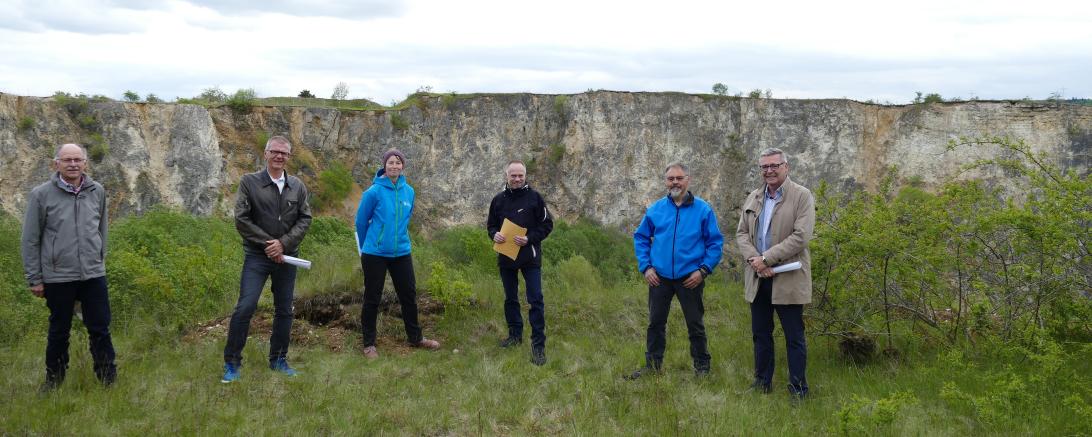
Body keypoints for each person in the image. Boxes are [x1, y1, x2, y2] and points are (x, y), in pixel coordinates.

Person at [21, 143, 117, 391]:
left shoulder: (97, 191)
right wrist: (35, 278)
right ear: (56, 164)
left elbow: (102, 230)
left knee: (100, 328)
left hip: (93, 274)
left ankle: (108, 380)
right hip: (58, 275)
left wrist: (99, 260)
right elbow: (30, 239)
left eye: (77, 159)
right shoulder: (41, 194)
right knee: (59, 331)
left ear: (85, 163)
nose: (73, 164)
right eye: (67, 160)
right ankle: (54, 381)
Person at [222, 135, 312, 383]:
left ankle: (279, 360)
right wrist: (269, 245)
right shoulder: (249, 182)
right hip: (257, 257)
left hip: (288, 257)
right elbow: (242, 219)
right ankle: (232, 364)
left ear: (289, 157)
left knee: (284, 309)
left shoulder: (297, 186)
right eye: (275, 151)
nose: (279, 156)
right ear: (266, 153)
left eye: (284, 153)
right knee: (246, 306)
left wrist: (283, 244)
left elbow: (305, 218)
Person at [628, 162, 723, 379]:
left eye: (679, 178)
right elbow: (641, 238)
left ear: (688, 180)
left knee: (695, 324)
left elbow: (715, 243)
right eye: (671, 179)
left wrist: (703, 270)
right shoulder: (656, 209)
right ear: (666, 182)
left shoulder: (703, 210)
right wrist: (646, 267)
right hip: (659, 277)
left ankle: (702, 368)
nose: (675, 182)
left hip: (690, 277)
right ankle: (653, 366)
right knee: (655, 323)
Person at [735, 147, 815, 400]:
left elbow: (801, 236)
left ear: (786, 167)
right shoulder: (754, 197)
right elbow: (741, 234)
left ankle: (798, 389)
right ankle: (762, 383)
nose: (769, 171)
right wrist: (756, 261)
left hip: (788, 277)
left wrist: (766, 258)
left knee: (794, 337)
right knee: (761, 334)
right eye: (764, 167)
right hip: (758, 278)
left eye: (774, 166)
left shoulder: (802, 196)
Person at [355, 148, 440, 359]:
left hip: (401, 251)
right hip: (375, 253)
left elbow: (406, 219)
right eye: (390, 162)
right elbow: (360, 222)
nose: (394, 166)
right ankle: (369, 344)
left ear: (403, 166)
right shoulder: (373, 192)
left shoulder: (409, 191)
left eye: (398, 162)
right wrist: (368, 247)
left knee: (408, 295)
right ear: (384, 165)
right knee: (372, 298)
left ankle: (416, 338)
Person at [487, 160, 554, 366]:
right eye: (513, 175)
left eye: (520, 175)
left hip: (530, 257)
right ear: (506, 176)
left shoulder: (535, 198)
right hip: (506, 257)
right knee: (510, 299)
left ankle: (538, 346)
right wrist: (494, 235)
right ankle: (515, 336)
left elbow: (547, 225)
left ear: (525, 176)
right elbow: (491, 226)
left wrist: (529, 238)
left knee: (535, 300)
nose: (517, 179)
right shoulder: (498, 200)